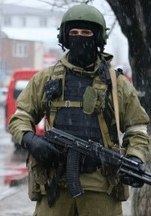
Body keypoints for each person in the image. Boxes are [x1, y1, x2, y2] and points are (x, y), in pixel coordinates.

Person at [8, 4, 150, 216]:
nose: (80, 38)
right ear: (64, 37)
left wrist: (135, 157)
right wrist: (30, 140)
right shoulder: (46, 79)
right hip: (54, 186)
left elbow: (137, 128)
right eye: (74, 33)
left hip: (101, 187)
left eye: (86, 33)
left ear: (99, 38)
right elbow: (20, 118)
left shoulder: (116, 84)